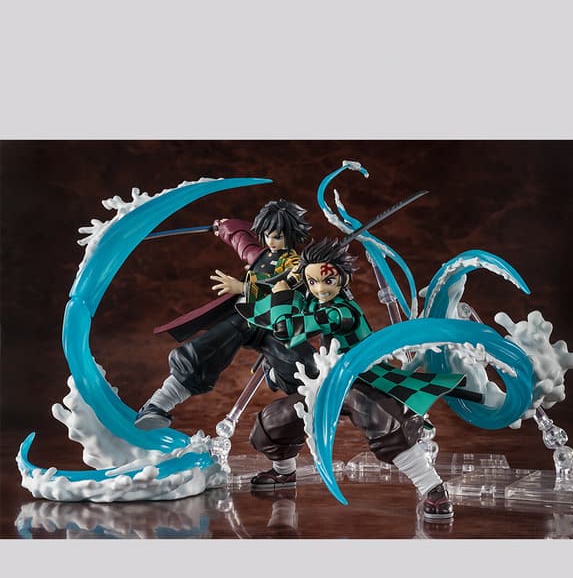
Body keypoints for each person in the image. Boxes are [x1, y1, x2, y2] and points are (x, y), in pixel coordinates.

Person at [236, 238, 472, 521]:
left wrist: (283, 293)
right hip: (329, 382)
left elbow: (287, 329)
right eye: (313, 282)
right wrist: (266, 287)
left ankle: (432, 487)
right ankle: (284, 473)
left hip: (364, 382)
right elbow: (272, 314)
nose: (320, 289)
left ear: (342, 279)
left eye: (328, 281)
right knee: (276, 419)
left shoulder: (341, 312)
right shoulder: (316, 300)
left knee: (385, 422)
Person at [135, 199, 317, 430]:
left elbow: (284, 286)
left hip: (275, 324)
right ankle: (157, 404)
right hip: (246, 318)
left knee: (305, 368)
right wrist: (225, 227)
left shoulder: (296, 265)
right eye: (267, 235)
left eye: (278, 236)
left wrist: (243, 288)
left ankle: (282, 381)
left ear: (291, 235)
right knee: (205, 351)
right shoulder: (261, 256)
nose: (271, 241)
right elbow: (243, 243)